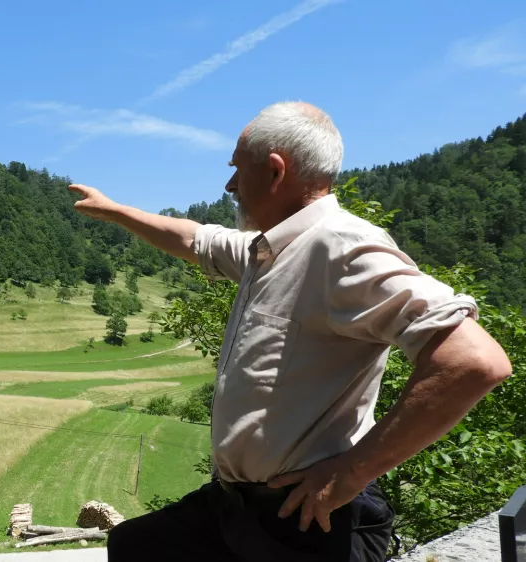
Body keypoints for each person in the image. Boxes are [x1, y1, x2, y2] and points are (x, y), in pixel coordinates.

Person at [69, 101, 512, 562]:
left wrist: (353, 472)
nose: (230, 185)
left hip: (308, 518)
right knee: (137, 545)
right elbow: (194, 239)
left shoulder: (342, 249)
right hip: (237, 506)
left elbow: (473, 361)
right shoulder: (267, 250)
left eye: (238, 169)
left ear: (275, 171)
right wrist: (114, 211)